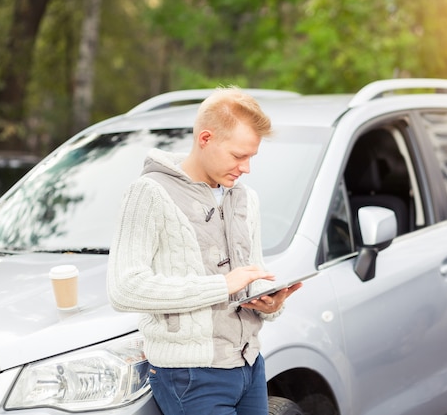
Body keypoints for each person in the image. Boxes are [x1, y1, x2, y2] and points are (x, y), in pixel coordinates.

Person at [107, 86, 302, 415]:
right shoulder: (149, 193)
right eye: (239, 156)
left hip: (249, 364)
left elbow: (250, 272)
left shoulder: (244, 198)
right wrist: (222, 285)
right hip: (191, 375)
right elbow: (124, 288)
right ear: (206, 138)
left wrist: (269, 302)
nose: (247, 168)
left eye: (252, 156)